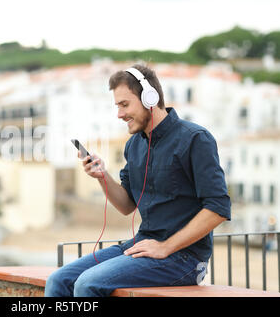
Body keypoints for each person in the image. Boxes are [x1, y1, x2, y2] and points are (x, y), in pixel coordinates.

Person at [44, 64, 231, 297]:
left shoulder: (195, 139)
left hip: (185, 258)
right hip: (142, 246)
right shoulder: (134, 145)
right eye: (117, 106)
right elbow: (126, 206)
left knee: (87, 284)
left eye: (124, 104)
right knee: (58, 280)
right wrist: (103, 177)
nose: (119, 114)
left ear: (150, 98)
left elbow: (218, 208)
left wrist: (165, 247)